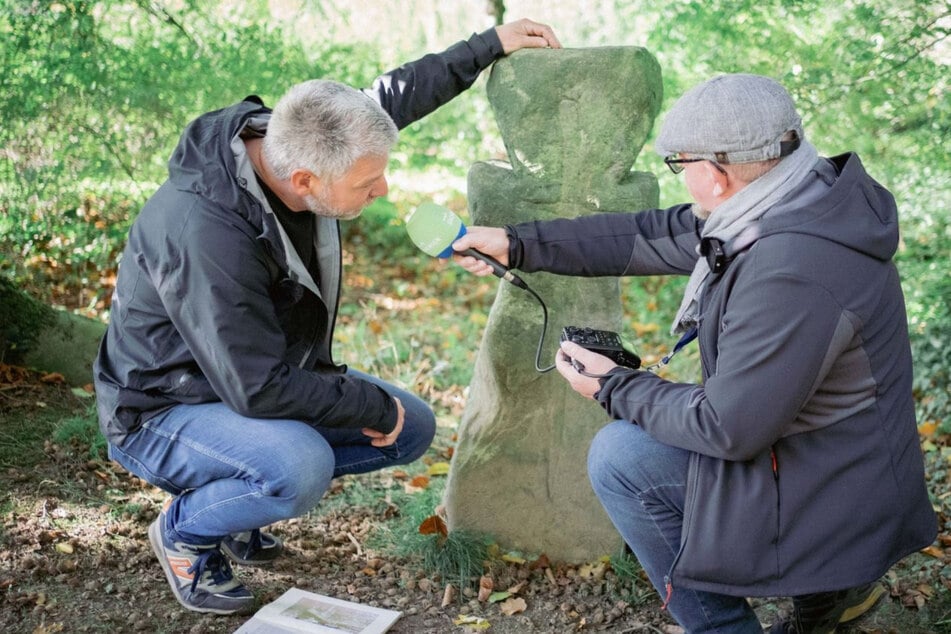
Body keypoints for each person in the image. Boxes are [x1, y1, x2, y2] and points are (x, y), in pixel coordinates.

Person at [92, 19, 561, 615]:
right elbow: (258, 387)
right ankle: (188, 530)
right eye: (369, 182)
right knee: (300, 464)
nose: (384, 190)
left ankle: (239, 497)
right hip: (163, 407)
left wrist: (489, 45)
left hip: (236, 382)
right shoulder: (208, 235)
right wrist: (367, 405)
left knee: (411, 427)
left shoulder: (301, 134)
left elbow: (387, 100)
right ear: (306, 180)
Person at [452, 74, 936, 633]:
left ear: (717, 172)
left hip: (829, 495)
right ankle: (832, 598)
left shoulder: (792, 270)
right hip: (844, 468)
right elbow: (652, 234)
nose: (682, 182)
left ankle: (727, 626)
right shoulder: (797, 200)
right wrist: (517, 242)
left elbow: (727, 427)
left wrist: (613, 386)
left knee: (620, 456)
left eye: (679, 165)